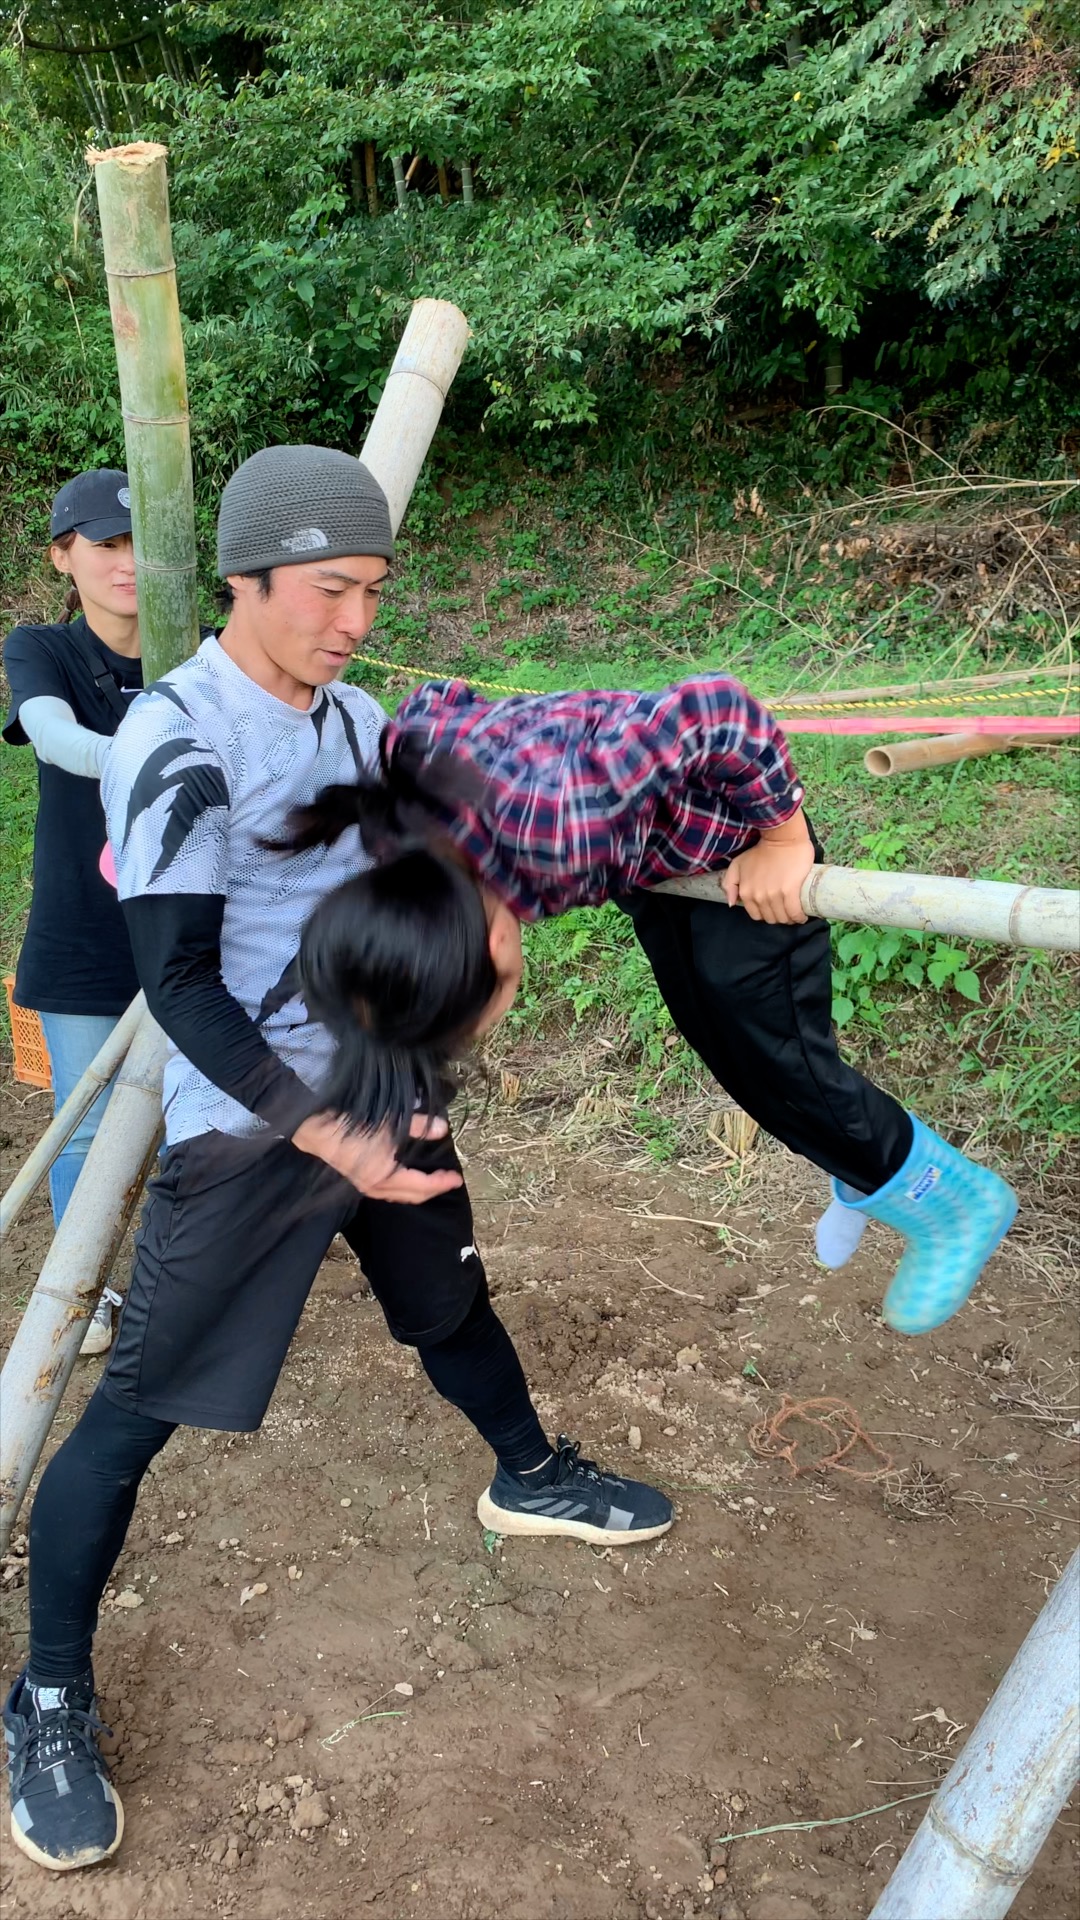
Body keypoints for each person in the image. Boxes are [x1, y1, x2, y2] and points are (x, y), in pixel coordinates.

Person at [2, 446, 671, 1877]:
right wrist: (323, 1130)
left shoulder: (359, 720)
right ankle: (46, 1697)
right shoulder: (178, 741)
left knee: (450, 1301)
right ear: (244, 581)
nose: (357, 621)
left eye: (373, 590)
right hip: (253, 1125)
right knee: (134, 1413)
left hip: (383, 1083)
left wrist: (486, 920)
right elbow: (180, 984)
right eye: (327, 590)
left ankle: (530, 1474)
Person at [278, 673, 1018, 1340]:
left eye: (489, 1007)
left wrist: (784, 837)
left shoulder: (557, 827)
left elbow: (717, 709)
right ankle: (860, 1169)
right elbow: (437, 702)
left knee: (782, 1059)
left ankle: (957, 1203)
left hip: (739, 843)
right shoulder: (406, 837)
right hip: (657, 863)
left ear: (493, 943)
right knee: (716, 1036)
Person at [2, 471, 145, 1355]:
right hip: (83, 933)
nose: (127, 562)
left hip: (195, 930)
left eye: (141, 543)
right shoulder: (40, 649)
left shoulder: (203, 648)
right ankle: (80, 1292)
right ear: (64, 557)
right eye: (105, 545)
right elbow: (52, 737)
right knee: (85, 1123)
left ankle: (185, 1283)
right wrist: (147, 756)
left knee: (206, 1119)